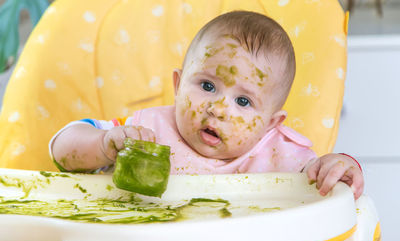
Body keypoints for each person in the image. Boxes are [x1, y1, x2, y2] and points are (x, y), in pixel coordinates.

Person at [50, 11, 363, 199]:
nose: (218, 109)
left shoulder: (282, 156)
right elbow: (63, 151)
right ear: (177, 84)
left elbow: (323, 188)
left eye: (243, 101)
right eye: (207, 85)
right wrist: (104, 146)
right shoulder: (144, 133)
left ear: (270, 123)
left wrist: (338, 168)